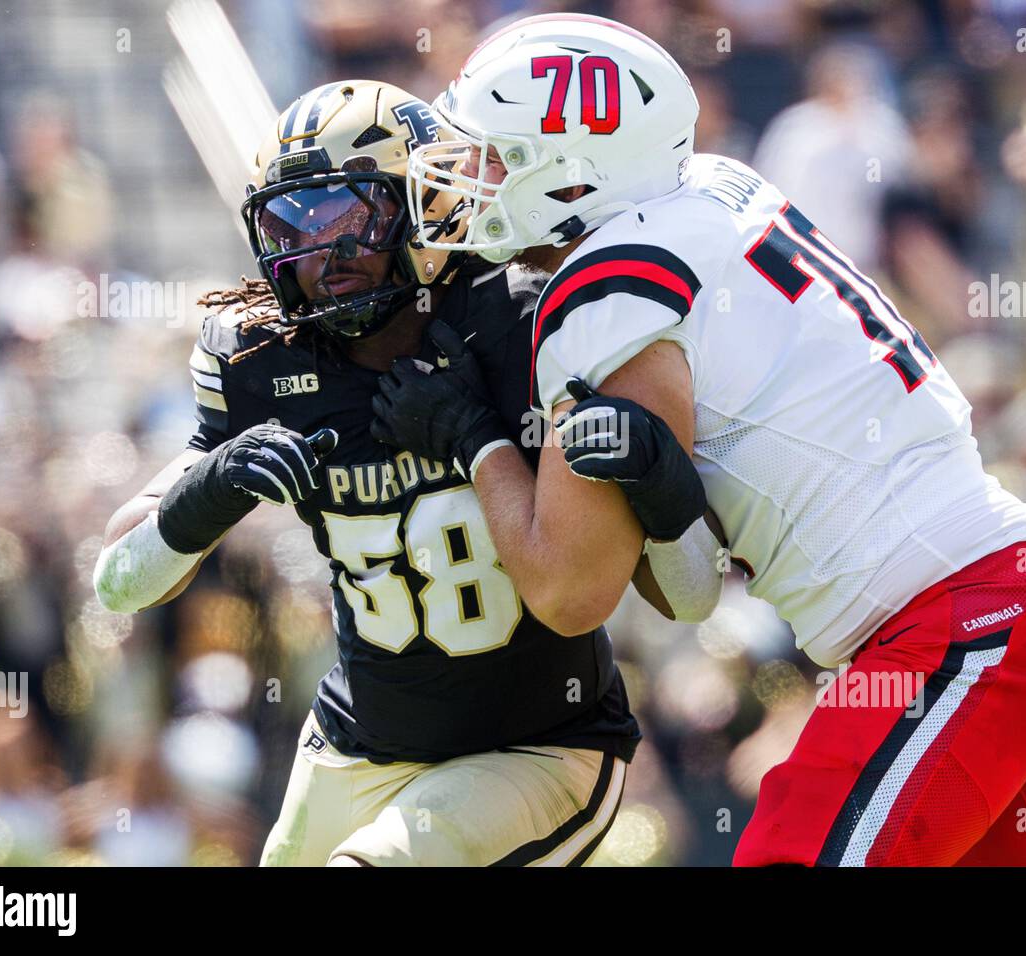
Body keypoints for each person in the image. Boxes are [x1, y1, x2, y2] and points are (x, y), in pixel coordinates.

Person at [371, 14, 1026, 866]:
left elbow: (569, 590)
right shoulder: (717, 188)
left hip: (963, 623)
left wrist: (475, 442)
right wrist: (668, 502)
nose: (472, 178)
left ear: (574, 174)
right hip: (1020, 598)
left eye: (498, 154)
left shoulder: (610, 288)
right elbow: (690, 585)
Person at [93, 79, 641, 866]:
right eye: (291, 224)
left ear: (422, 205)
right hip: (360, 742)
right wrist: (207, 492)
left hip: (540, 747)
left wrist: (477, 437)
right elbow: (118, 580)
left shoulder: (519, 316)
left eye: (347, 218)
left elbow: (637, 578)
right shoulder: (259, 359)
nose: (320, 255)